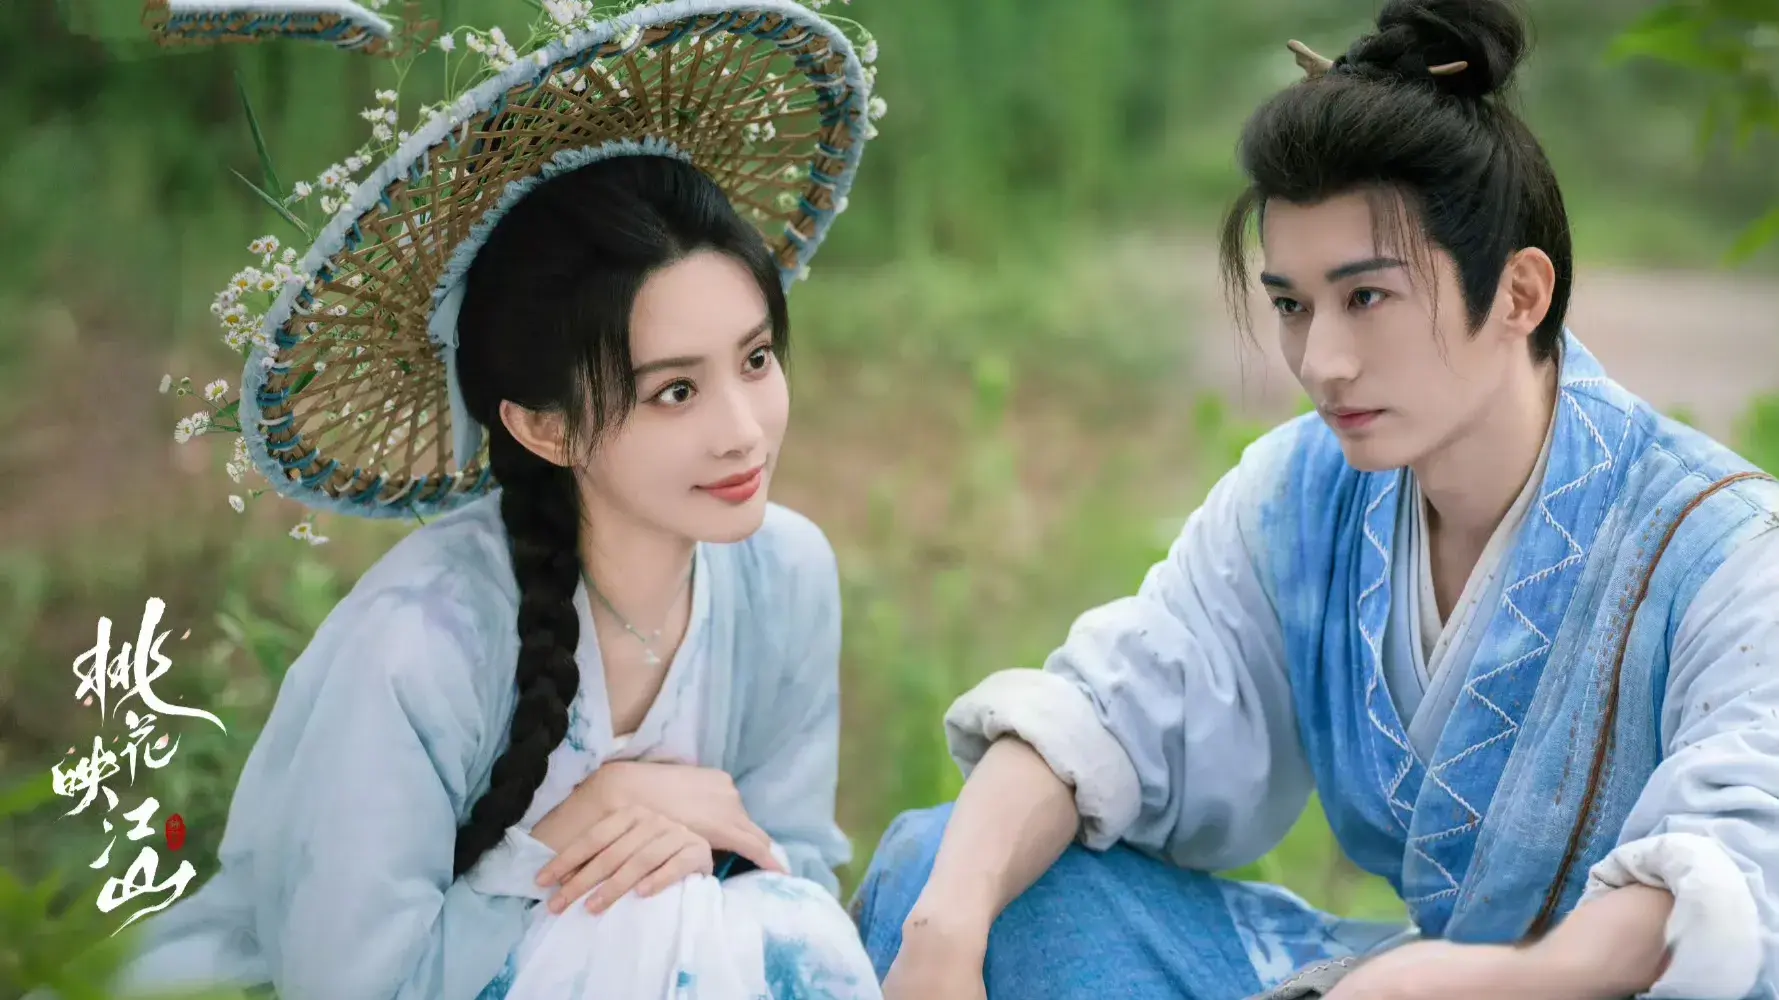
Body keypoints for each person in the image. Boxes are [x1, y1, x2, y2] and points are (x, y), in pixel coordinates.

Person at [849, 1, 1779, 998]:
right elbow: (1113, 713)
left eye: (1366, 297)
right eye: (1292, 305)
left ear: (1519, 294)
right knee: (945, 865)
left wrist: (1461, 983)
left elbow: (1741, 877)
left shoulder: (1723, 546)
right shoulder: (1304, 493)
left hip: (1574, 986)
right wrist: (944, 928)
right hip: (1410, 981)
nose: (1321, 361)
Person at [106, 2, 886, 999]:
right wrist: (572, 831)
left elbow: (793, 882)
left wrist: (691, 850)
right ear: (543, 428)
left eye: (757, 359)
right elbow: (351, 984)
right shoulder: (420, 646)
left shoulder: (785, 573)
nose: (743, 431)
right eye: (675, 392)